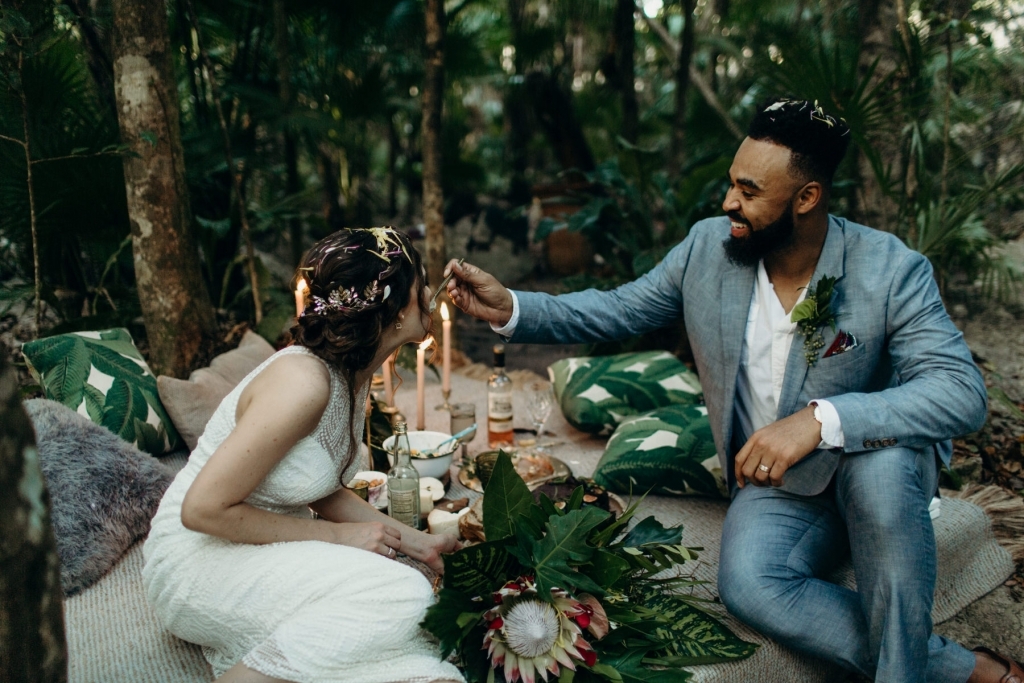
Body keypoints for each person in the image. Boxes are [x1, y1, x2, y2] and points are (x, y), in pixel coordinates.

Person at [443, 100, 1023, 683]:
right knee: (748, 584)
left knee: (882, 480)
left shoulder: (891, 268)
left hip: (875, 459)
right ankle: (963, 668)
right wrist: (512, 307)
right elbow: (616, 309)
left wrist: (820, 419)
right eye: (730, 184)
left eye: (748, 191)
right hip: (778, 485)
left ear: (807, 198)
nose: (728, 203)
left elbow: (960, 391)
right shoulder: (706, 249)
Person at [143, 227, 463, 683]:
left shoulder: (351, 374)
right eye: (421, 284)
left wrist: (418, 544)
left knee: (421, 635)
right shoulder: (303, 382)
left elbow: (317, 486)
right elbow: (201, 510)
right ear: (391, 311)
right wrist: (336, 539)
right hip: (197, 559)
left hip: (256, 544)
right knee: (403, 595)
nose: (430, 295)